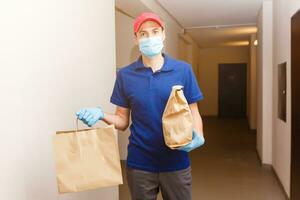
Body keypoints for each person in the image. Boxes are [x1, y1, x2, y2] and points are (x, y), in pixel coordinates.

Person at [76, 12, 205, 200]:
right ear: (136, 39)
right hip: (140, 164)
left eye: (154, 31)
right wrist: (100, 114)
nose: (150, 37)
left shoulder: (183, 70)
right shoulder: (125, 76)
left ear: (163, 34)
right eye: (143, 34)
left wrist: (199, 135)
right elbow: (122, 121)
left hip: (176, 161)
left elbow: (194, 111)